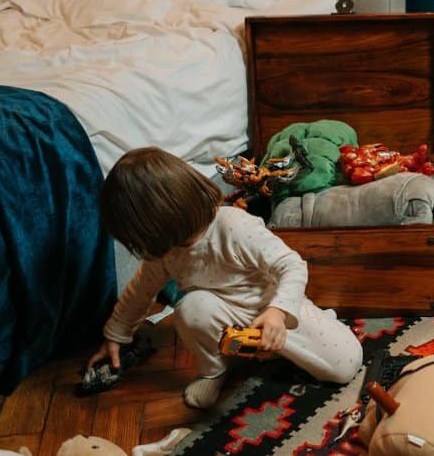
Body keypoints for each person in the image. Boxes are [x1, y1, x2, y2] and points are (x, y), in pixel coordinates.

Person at [87, 147, 363, 409]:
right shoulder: (163, 251)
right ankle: (214, 372)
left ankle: (316, 323)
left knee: (346, 365)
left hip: (272, 309)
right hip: (225, 318)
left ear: (162, 222)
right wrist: (116, 336)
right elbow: (139, 291)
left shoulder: (233, 225)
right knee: (190, 308)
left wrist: (278, 313)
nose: (146, 248)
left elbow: (292, 265)